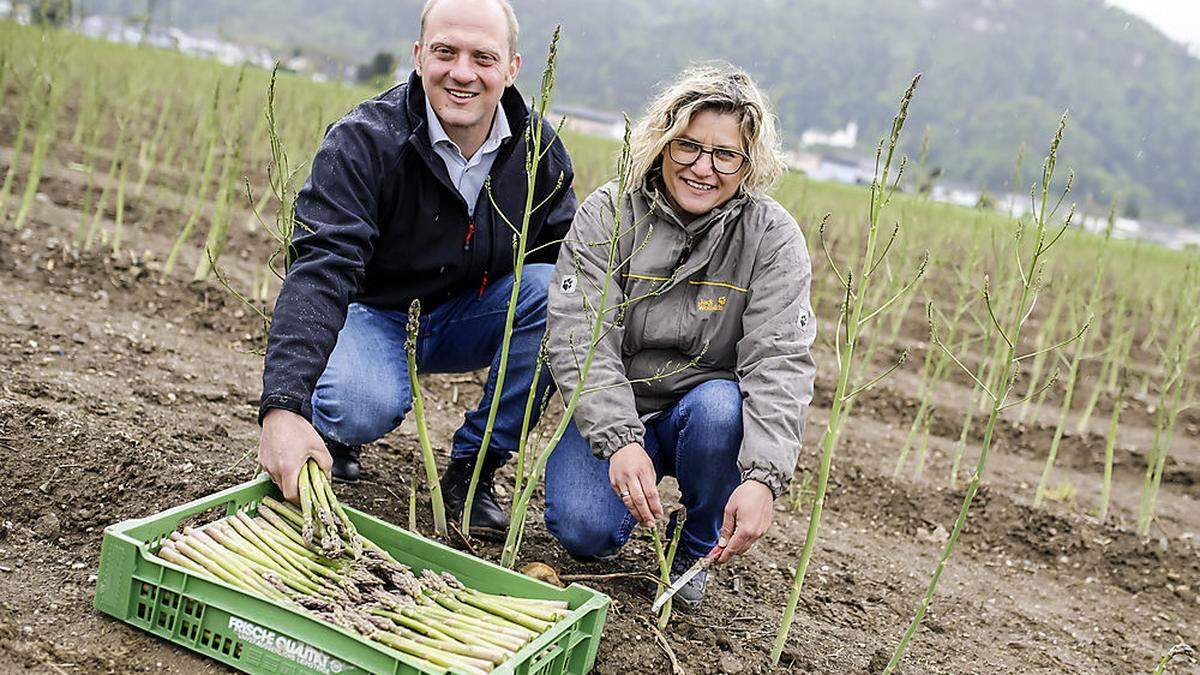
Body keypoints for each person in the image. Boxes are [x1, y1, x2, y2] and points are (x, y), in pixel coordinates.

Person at [256, 0, 576, 539]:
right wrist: (282, 407)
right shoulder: (365, 140)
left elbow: (563, 259)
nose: (462, 72)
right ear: (419, 55)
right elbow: (320, 268)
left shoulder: (537, 151)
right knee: (360, 403)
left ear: (512, 69)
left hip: (467, 314)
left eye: (483, 57)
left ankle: (472, 472)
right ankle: (334, 427)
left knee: (556, 292)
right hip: (374, 312)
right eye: (445, 52)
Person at [544, 64, 816, 606]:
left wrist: (764, 478)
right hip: (620, 405)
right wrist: (620, 440)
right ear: (663, 142)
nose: (703, 168)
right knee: (583, 532)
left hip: (702, 413)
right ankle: (623, 491)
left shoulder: (771, 237)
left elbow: (780, 361)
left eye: (725, 155)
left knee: (722, 407)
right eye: (688, 146)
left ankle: (694, 551)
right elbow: (579, 334)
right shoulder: (610, 213)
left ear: (748, 165)